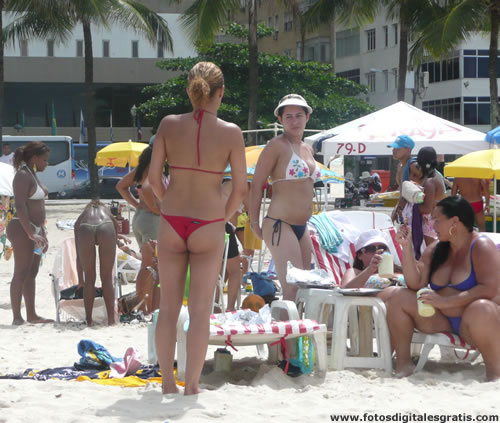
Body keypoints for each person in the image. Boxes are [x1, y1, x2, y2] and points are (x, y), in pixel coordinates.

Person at [149, 61, 247, 395]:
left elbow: (151, 180)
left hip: (172, 220)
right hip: (209, 222)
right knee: (201, 311)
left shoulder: (168, 124)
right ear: (220, 93)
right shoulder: (232, 132)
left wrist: (167, 205)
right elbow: (239, 190)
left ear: (190, 91)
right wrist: (223, 218)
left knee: (169, 309)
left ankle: (166, 382)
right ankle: (191, 385)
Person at [388, 196, 500, 381]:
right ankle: (403, 364)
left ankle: (495, 373)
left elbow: (489, 289)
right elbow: (415, 283)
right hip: (442, 320)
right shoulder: (436, 249)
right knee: (400, 297)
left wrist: (446, 302)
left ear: (455, 222)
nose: (432, 226)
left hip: (475, 323)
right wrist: (406, 249)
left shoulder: (481, 245)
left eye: (437, 220)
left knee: (482, 307)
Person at [249, 94, 320, 302]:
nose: (294, 121)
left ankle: (298, 333)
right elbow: (256, 185)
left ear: (307, 117)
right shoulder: (276, 145)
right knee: (292, 290)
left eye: (299, 115)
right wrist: (254, 222)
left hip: (302, 226)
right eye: (288, 116)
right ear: (280, 120)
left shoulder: (307, 148)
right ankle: (287, 334)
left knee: (305, 288)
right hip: (280, 224)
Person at [6, 142, 53, 325]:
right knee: (21, 273)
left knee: (31, 272)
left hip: (35, 229)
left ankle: (32, 314)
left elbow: (38, 206)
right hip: (21, 228)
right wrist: (30, 233)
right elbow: (20, 206)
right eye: (44, 160)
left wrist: (42, 232)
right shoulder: (23, 175)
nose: (46, 164)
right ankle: (17, 317)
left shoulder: (32, 174)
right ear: (34, 158)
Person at [74, 200, 118, 326]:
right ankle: (111, 320)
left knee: (89, 278)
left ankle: (89, 320)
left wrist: (80, 280)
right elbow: (116, 232)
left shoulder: (82, 216)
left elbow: (78, 255)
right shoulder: (107, 212)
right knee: (107, 278)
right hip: (106, 225)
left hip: (85, 227)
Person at [117, 145, 161, 251]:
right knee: (153, 259)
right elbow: (146, 188)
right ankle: (127, 253)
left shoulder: (140, 170)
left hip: (140, 216)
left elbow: (120, 186)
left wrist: (137, 205)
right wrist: (158, 211)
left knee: (146, 257)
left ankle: (128, 253)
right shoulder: (154, 171)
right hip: (152, 218)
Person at [340, 229, 402, 302]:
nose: (377, 251)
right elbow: (345, 291)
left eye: (382, 248)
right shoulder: (354, 272)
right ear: (360, 255)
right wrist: (370, 269)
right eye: (370, 249)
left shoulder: (400, 270)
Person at [414, 147, 446, 248]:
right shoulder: (437, 175)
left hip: (431, 222)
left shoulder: (430, 181)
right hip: (438, 219)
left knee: (432, 253)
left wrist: (411, 206)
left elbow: (427, 208)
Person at [387, 135, 415, 224]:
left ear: (408, 150)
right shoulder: (400, 166)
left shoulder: (413, 166)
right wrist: (397, 207)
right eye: (393, 147)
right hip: (404, 209)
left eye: (397, 148)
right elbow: (402, 191)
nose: (393, 150)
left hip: (413, 210)